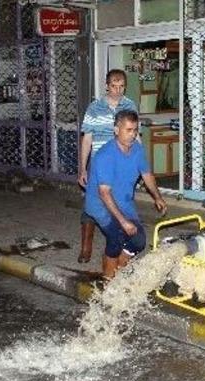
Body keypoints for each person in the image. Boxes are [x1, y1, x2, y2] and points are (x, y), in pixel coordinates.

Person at [84, 110, 166, 279]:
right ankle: (107, 284)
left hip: (123, 202)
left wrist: (158, 197)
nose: (132, 134)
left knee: (138, 241)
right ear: (116, 130)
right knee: (116, 236)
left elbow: (147, 174)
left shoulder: (137, 149)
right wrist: (123, 221)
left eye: (135, 130)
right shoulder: (105, 155)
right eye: (128, 130)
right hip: (99, 204)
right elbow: (104, 193)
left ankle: (115, 267)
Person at [76, 69, 138, 264]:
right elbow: (87, 139)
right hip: (98, 166)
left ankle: (117, 245)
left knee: (121, 204)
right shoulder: (95, 108)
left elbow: (136, 135)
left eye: (121, 87)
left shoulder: (130, 105)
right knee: (92, 205)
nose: (117, 91)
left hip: (122, 165)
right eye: (113, 86)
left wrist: (141, 163)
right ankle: (86, 247)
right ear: (106, 85)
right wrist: (83, 168)